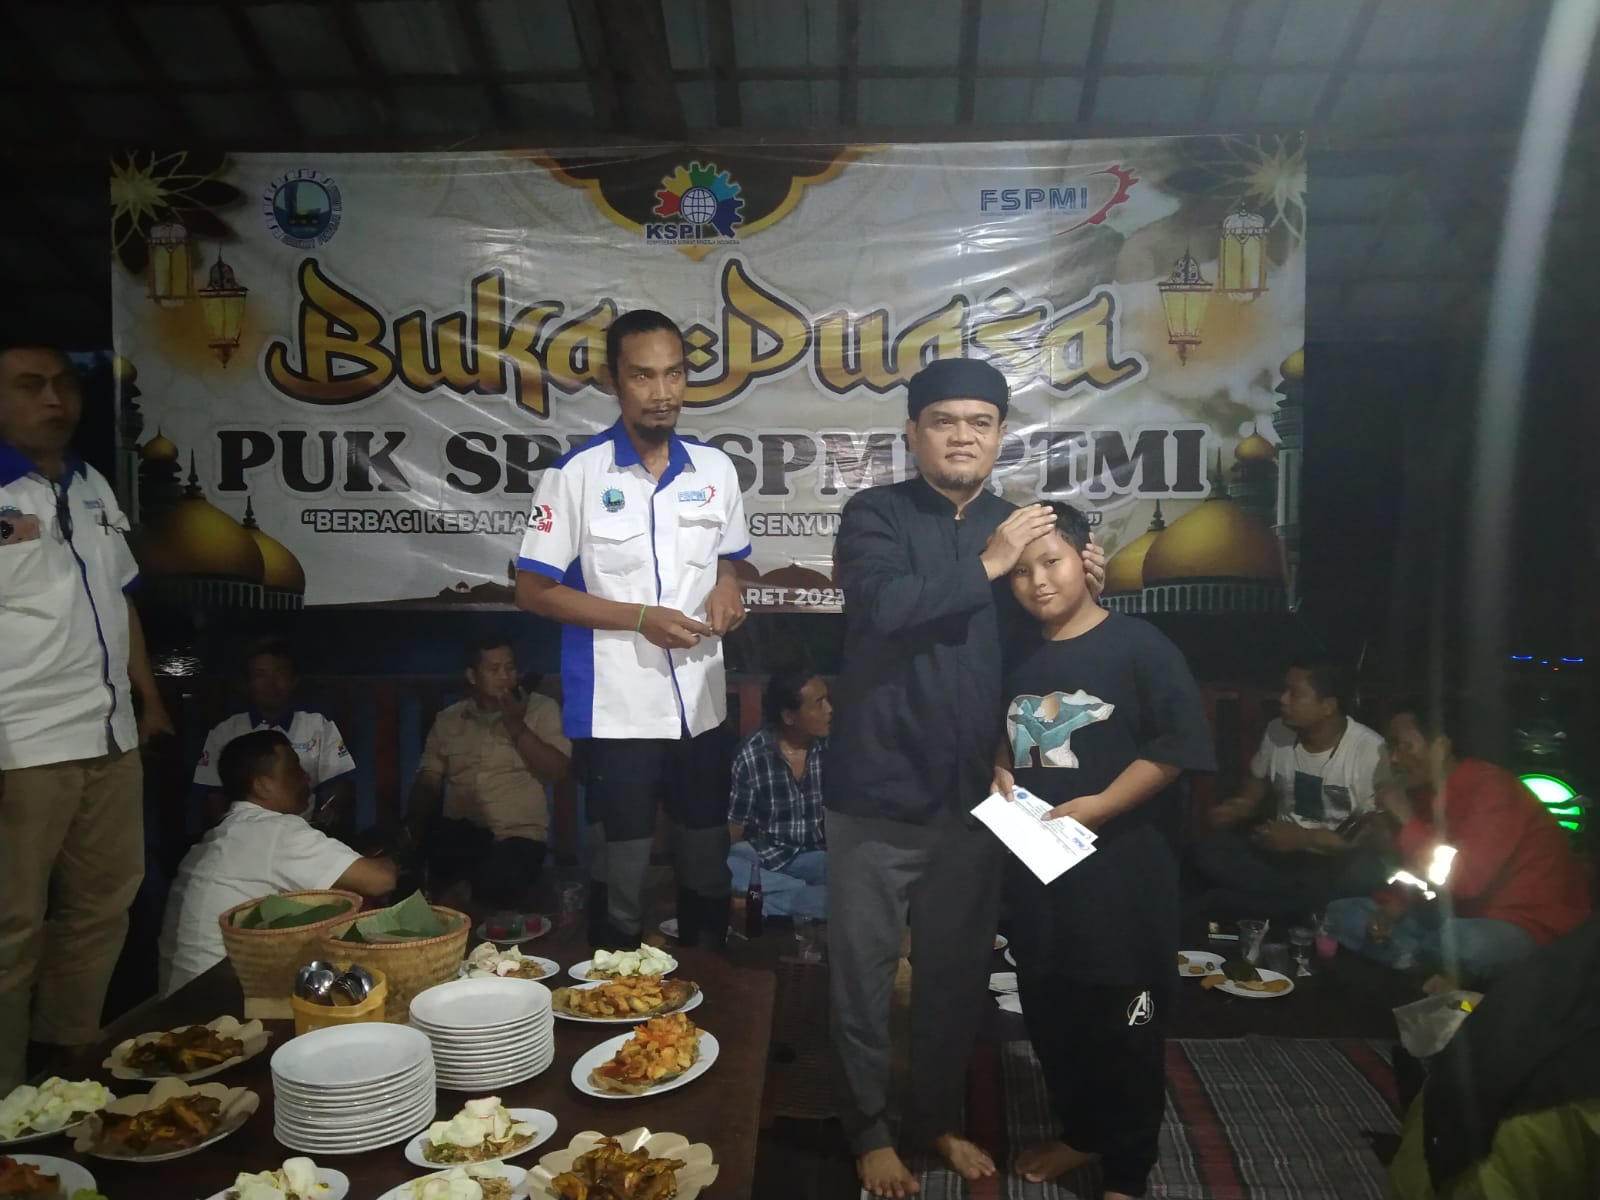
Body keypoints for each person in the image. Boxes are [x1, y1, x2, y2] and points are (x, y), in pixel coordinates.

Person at [825, 356, 1104, 1197]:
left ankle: (933, 1119)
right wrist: (989, 564)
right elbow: (884, 606)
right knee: (862, 980)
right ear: (913, 433)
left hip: (974, 801)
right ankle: (868, 1131)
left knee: (953, 982)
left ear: (1000, 435)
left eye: (979, 423)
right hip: (875, 794)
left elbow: (1051, 644)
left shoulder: (1017, 526)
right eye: (943, 421)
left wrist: (1079, 591)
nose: (961, 437)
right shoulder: (875, 515)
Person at [991, 502, 1215, 1198]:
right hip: (1041, 877)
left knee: (1127, 1027)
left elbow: (1176, 748)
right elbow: (1003, 731)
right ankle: (1081, 1133)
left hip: (1124, 880)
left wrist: (1101, 805)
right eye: (1021, 571)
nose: (1037, 582)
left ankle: (1126, 1171)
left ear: (1085, 558)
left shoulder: (1141, 645)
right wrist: (997, 768)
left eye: (1051, 562)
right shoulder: (1014, 651)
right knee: (1051, 1014)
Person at [515, 309, 749, 949]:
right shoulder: (576, 475)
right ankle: (615, 984)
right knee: (620, 870)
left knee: (707, 856)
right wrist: (640, 619)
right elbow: (533, 590)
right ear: (612, 381)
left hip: (701, 705)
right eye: (643, 376)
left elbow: (730, 557)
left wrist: (728, 584)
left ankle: (708, 973)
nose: (662, 392)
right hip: (617, 712)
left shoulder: (715, 471)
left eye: (673, 374)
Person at [0, 336, 174, 1093]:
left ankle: (62, 1064)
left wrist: (150, 701)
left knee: (104, 905)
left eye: (63, 384)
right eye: (29, 385)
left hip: (108, 733)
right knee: (12, 926)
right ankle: (5, 1094)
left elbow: (119, 599)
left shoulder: (92, 483)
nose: (53, 400)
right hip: (22, 742)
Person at [1327, 697, 1590, 990]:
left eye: (1403, 746)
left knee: (1459, 942)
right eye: (1391, 749)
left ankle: (1419, 962)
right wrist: (1393, 906)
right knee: (1343, 913)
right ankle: (1424, 965)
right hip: (1455, 915)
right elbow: (1418, 873)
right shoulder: (1426, 794)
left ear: (1441, 746)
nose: (1395, 759)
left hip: (1525, 923)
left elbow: (1466, 881)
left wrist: (1406, 818)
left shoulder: (1492, 790)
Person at [159, 730, 397, 995]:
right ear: (262, 785)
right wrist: (398, 855)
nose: (306, 778)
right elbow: (380, 880)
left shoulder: (223, 834)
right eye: (295, 770)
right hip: (219, 1000)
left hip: (179, 994)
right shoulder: (275, 830)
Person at [1192, 658, 1393, 921]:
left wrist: (1303, 838)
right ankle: (1294, 907)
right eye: (1284, 690)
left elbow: (1361, 836)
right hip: (1282, 853)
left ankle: (1268, 906)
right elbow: (1257, 782)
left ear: (1327, 706)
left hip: (1335, 858)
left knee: (1366, 874)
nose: (1283, 700)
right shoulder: (1277, 731)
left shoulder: (1367, 749)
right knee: (1206, 853)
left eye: (1295, 694)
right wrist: (1241, 807)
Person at [405, 637, 570, 914]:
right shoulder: (450, 719)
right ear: (472, 676)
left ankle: (459, 905)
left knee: (505, 875)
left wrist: (516, 725)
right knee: (415, 861)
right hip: (462, 832)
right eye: (494, 670)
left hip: (518, 836)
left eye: (510, 668)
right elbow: (429, 778)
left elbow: (557, 769)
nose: (505, 677)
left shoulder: (541, 709)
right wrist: (412, 824)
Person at [193, 638, 356, 833]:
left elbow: (340, 780)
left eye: (280, 672)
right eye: (260, 674)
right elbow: (213, 793)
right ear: (247, 684)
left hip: (302, 830)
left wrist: (330, 812)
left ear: (294, 680)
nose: (271, 683)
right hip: (244, 832)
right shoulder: (225, 731)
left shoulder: (318, 725)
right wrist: (227, 833)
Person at [726, 668, 831, 920]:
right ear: (789, 716)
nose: (829, 710)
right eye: (819, 704)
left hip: (817, 856)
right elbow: (734, 827)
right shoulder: (754, 754)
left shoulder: (832, 747)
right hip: (763, 855)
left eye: (827, 700)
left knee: (857, 882)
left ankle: (759, 903)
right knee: (730, 865)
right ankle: (803, 897)